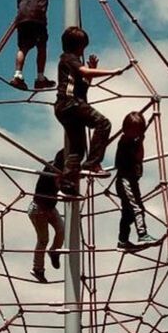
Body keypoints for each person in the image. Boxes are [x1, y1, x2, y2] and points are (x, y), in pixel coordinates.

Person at [11, 0, 97, 91]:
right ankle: (40, 78)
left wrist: (22, 13)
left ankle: (17, 75)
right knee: (41, 47)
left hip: (22, 16)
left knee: (23, 48)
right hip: (37, 16)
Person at [54, 26, 123, 184]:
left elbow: (83, 86)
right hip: (71, 104)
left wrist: (92, 70)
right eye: (82, 47)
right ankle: (93, 164)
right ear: (78, 46)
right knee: (103, 123)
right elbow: (84, 72)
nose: (82, 51)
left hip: (65, 108)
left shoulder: (71, 64)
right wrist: (112, 72)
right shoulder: (69, 58)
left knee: (78, 148)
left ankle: (68, 181)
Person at [115, 111, 158, 250]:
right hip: (125, 181)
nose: (136, 133)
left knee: (127, 214)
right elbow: (138, 157)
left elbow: (140, 158)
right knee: (137, 208)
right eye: (134, 131)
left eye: (138, 131)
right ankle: (142, 234)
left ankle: (123, 241)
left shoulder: (132, 142)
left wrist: (140, 140)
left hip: (131, 181)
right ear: (126, 129)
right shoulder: (125, 142)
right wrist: (139, 142)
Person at [29, 150, 65, 283]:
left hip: (50, 208)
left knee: (62, 230)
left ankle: (54, 251)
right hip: (38, 208)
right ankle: (37, 269)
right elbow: (59, 185)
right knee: (43, 239)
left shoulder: (55, 167)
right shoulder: (52, 171)